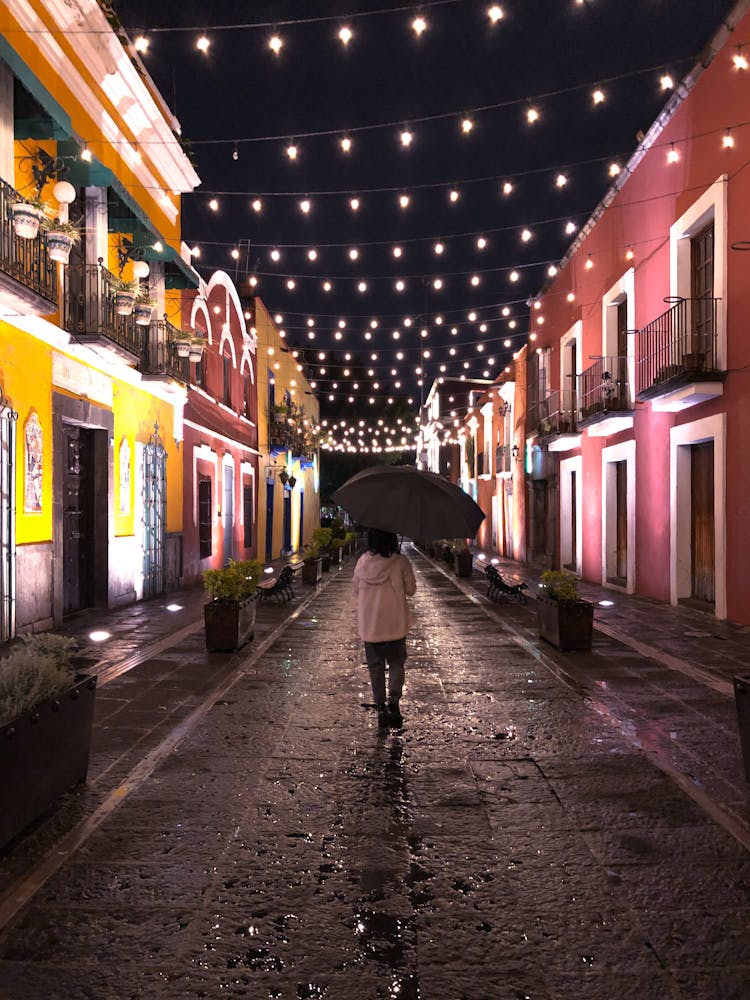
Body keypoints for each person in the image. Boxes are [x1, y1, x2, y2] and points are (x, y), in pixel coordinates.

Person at [353, 528, 417, 728]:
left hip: (371, 624)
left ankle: (380, 706)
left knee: (375, 667)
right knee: (397, 663)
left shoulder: (363, 561)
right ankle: (394, 702)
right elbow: (411, 590)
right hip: (395, 623)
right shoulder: (400, 562)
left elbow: (355, 590)